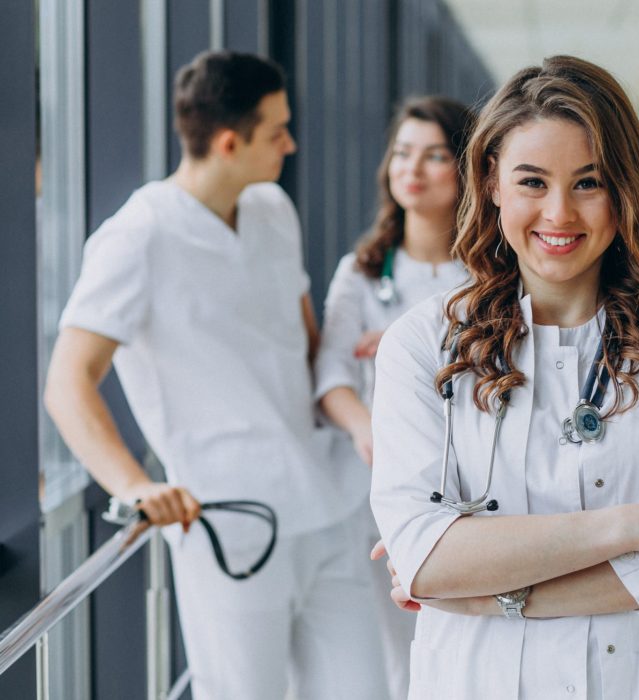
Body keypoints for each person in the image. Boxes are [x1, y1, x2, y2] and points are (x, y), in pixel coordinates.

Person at [369, 55, 639, 699]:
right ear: (491, 184)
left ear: (625, 187)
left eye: (587, 182)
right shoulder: (422, 343)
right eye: (532, 182)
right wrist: (637, 527)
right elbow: (425, 559)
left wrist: (486, 593)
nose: (559, 214)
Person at [44, 51, 386, 700]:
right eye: (276, 131)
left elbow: (307, 346)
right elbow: (67, 382)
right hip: (230, 523)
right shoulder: (137, 237)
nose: (290, 142)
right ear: (229, 142)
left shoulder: (272, 211)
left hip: (325, 501)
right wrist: (136, 486)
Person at [314, 95, 472, 699]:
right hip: (377, 481)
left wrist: (412, 343)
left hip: (469, 476)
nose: (413, 168)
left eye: (435, 156)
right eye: (403, 153)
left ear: (466, 170)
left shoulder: (494, 271)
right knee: (393, 649)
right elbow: (330, 369)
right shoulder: (362, 270)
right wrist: (363, 427)